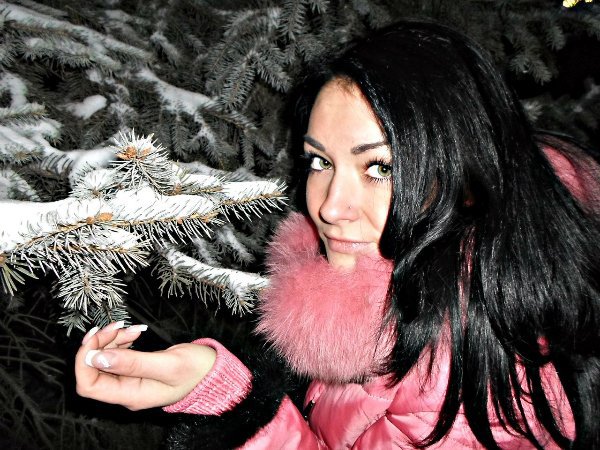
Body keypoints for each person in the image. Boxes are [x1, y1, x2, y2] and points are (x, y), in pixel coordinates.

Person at [74, 19, 600, 449]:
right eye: (319, 162)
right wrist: (217, 390)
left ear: (465, 173)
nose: (329, 207)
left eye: (380, 168)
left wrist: (238, 413)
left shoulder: (467, 377)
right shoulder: (400, 284)